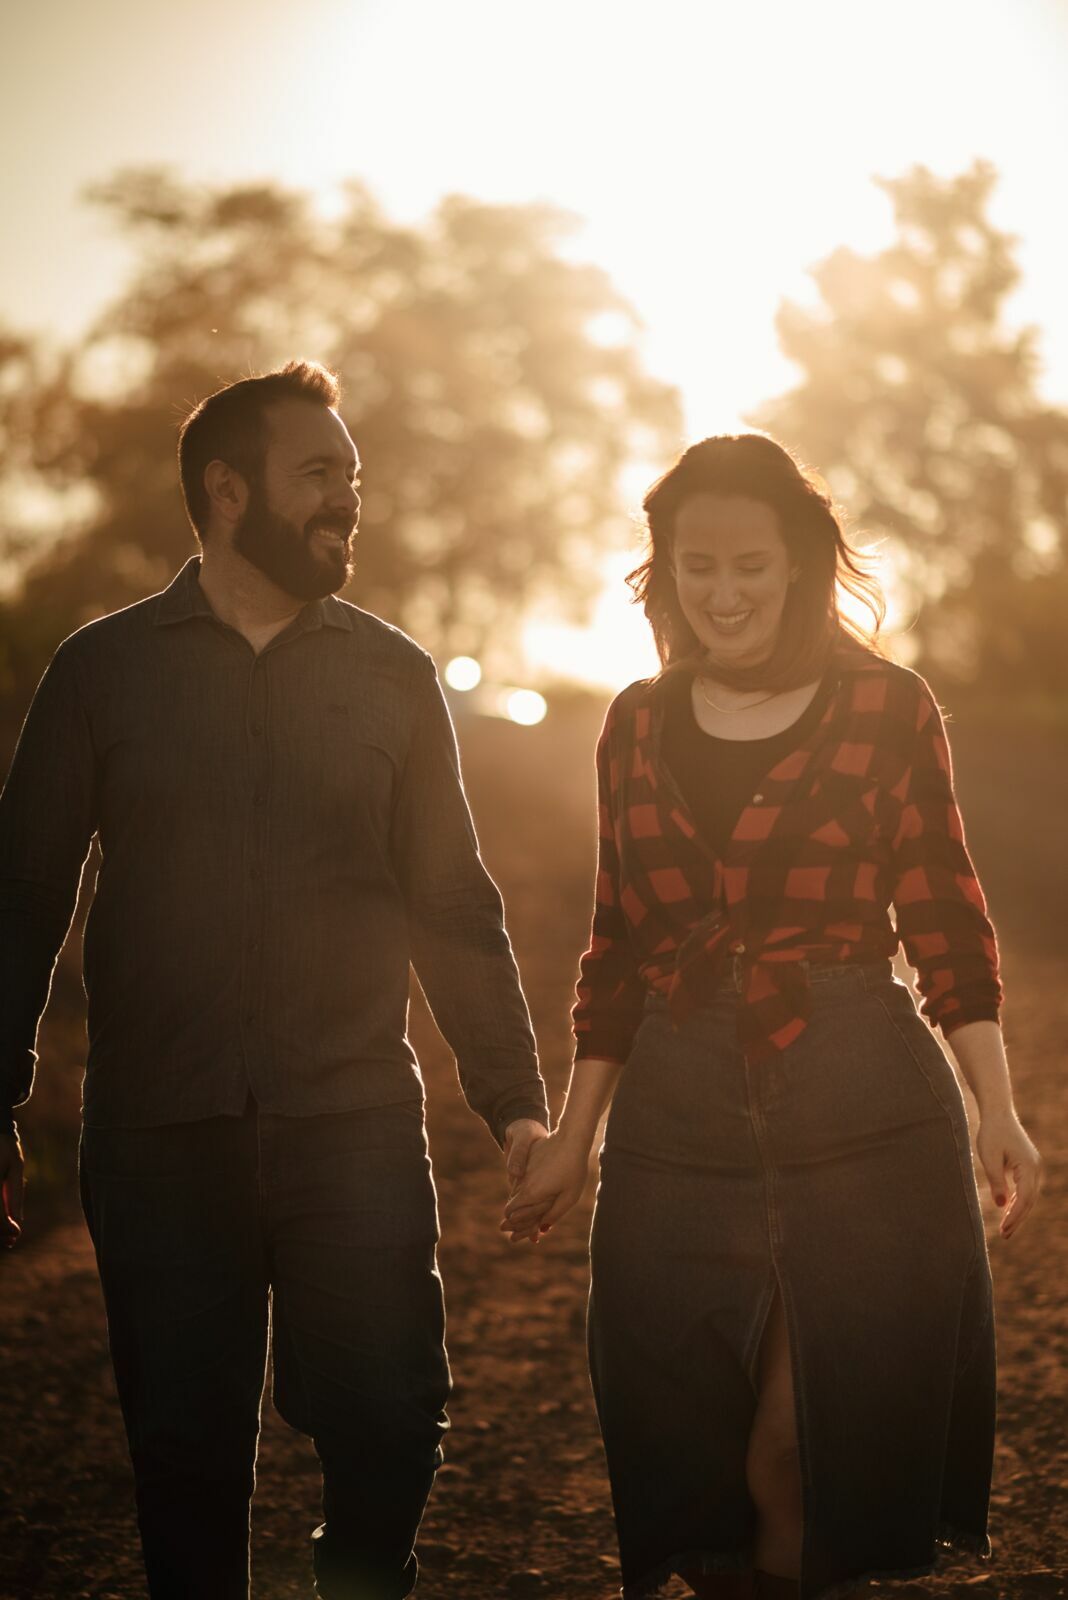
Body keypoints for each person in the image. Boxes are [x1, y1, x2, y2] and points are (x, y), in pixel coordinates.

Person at [0, 359, 550, 1600]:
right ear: (227, 490)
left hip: (351, 1117)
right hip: (159, 1129)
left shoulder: (395, 676)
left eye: (352, 475)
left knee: (392, 1413)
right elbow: (23, 892)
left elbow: (451, 903)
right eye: (318, 473)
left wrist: (516, 1104)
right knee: (184, 1455)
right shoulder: (102, 670)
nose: (347, 498)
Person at [503, 433, 1042, 1600]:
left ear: (798, 561)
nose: (724, 592)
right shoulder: (634, 722)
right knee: (698, 1474)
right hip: (677, 1129)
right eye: (697, 565)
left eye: (749, 564)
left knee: (803, 1455)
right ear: (666, 569)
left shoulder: (888, 707)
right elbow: (618, 947)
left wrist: (996, 1107)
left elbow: (945, 917)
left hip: (865, 1118)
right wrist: (574, 1141)